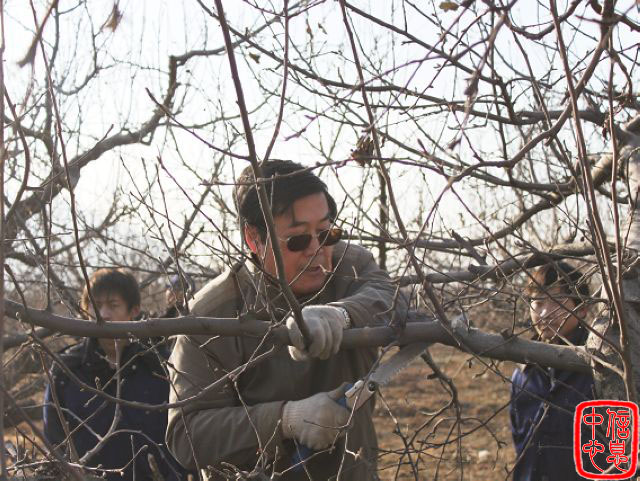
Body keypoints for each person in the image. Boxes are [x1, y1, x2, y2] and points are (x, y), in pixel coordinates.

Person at [166, 160, 408, 480]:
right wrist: (286, 420)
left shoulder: (349, 265)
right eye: (297, 239)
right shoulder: (213, 313)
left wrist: (342, 314)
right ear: (253, 239)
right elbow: (186, 435)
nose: (317, 249)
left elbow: (394, 299)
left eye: (326, 232)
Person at [43, 268, 187, 481]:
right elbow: (54, 443)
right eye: (95, 305)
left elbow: (184, 440)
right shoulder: (67, 370)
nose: (103, 314)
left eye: (113, 305)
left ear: (134, 310)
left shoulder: (159, 366)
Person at [510, 261, 596, 481]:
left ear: (582, 309)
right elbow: (520, 441)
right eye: (538, 302)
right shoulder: (523, 372)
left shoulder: (600, 368)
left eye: (558, 302)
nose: (545, 313)